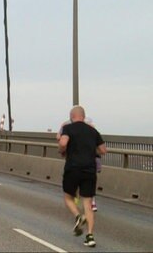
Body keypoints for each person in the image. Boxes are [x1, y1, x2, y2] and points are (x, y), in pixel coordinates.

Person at [58, 106, 107, 248]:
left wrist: (62, 150)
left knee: (68, 197)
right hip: (89, 170)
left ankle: (78, 216)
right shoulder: (93, 131)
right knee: (88, 203)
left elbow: (63, 143)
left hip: (73, 168)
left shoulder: (68, 128)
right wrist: (91, 148)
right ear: (83, 117)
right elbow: (103, 150)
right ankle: (90, 236)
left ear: (72, 116)